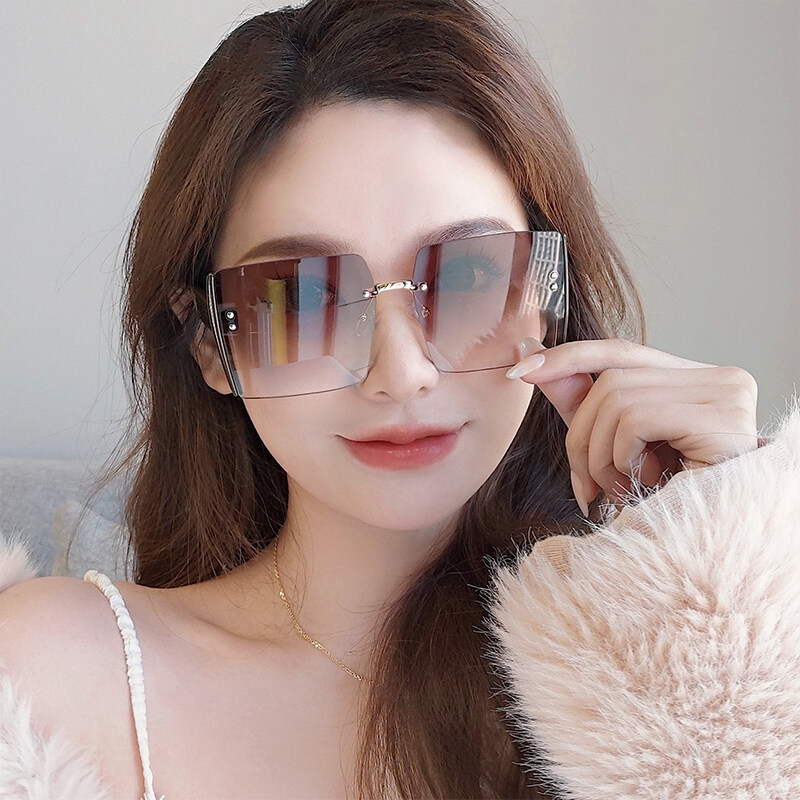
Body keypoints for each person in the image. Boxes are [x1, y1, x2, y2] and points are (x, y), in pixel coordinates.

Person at [1, 1, 798, 798]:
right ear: (212, 344)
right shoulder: (52, 682)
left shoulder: (662, 677)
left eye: (468, 275)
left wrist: (720, 573)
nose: (402, 372)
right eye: (302, 297)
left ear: (545, 298)